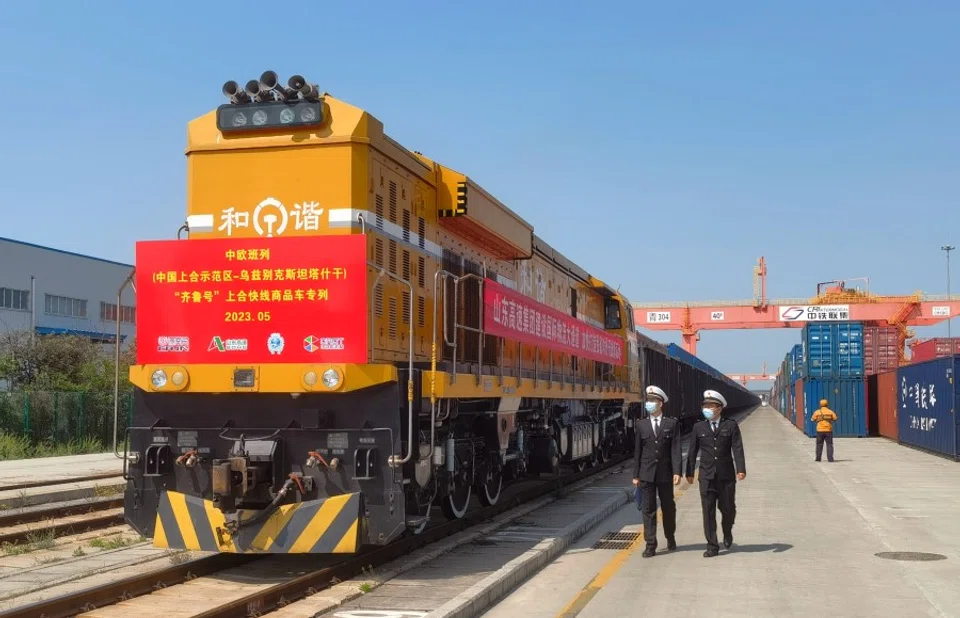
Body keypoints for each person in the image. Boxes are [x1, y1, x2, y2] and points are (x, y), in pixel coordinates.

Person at [685, 390, 746, 558]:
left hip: (726, 475)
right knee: (708, 511)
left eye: (711, 406)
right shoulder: (699, 427)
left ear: (720, 408)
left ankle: (727, 531)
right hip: (706, 475)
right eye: (705, 406)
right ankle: (712, 545)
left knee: (728, 509)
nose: (707, 408)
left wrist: (741, 469)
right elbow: (692, 451)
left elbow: (737, 448)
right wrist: (689, 471)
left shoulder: (730, 425)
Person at [632, 385, 682, 557]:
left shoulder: (671, 424)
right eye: (648, 400)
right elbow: (637, 451)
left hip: (665, 473)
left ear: (661, 403)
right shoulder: (641, 425)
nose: (649, 404)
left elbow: (676, 449)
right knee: (648, 509)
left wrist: (677, 471)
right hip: (646, 474)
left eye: (653, 401)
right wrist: (635, 475)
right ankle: (650, 544)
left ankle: (670, 536)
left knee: (668, 507)